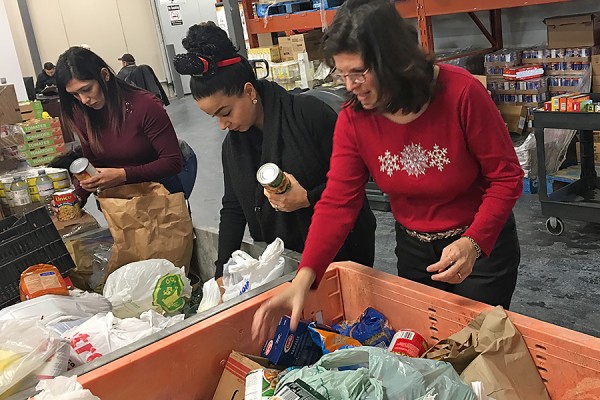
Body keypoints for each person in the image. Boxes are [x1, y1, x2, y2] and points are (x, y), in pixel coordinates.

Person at [252, 0, 523, 341]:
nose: (349, 86)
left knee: (479, 349)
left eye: (359, 73)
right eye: (341, 73)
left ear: (396, 62)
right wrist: (304, 279)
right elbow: (338, 202)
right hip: (414, 251)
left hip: (481, 248)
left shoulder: (461, 93)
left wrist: (473, 243)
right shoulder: (355, 118)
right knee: (426, 348)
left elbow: (506, 177)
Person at [173, 22, 376, 290]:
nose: (223, 125)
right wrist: (221, 273)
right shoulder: (233, 148)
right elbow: (233, 207)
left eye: (225, 112)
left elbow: (357, 181)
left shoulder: (308, 115)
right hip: (286, 258)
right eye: (215, 118)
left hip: (343, 249)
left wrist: (307, 199)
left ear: (249, 91)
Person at [55, 46, 185, 206]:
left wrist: (122, 175)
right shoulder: (83, 114)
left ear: (104, 75)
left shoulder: (145, 106)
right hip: (119, 205)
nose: (83, 100)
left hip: (160, 199)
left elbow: (172, 161)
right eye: (75, 94)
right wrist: (76, 199)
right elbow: (93, 163)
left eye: (87, 89)